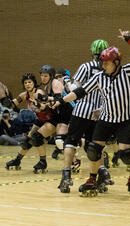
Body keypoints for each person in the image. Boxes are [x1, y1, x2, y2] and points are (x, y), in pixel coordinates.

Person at [59, 29, 130, 196]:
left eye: (106, 63)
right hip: (106, 119)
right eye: (102, 63)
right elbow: (80, 91)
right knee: (93, 149)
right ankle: (92, 179)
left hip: (125, 120)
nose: (103, 66)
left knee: (126, 155)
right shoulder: (99, 77)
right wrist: (61, 100)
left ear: (116, 63)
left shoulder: (128, 72)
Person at [53, 39, 111, 193]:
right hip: (99, 111)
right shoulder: (108, 69)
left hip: (82, 108)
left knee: (70, 141)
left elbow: (76, 89)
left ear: (92, 51)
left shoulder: (86, 66)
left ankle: (66, 175)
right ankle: (102, 172)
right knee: (95, 145)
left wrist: (66, 81)